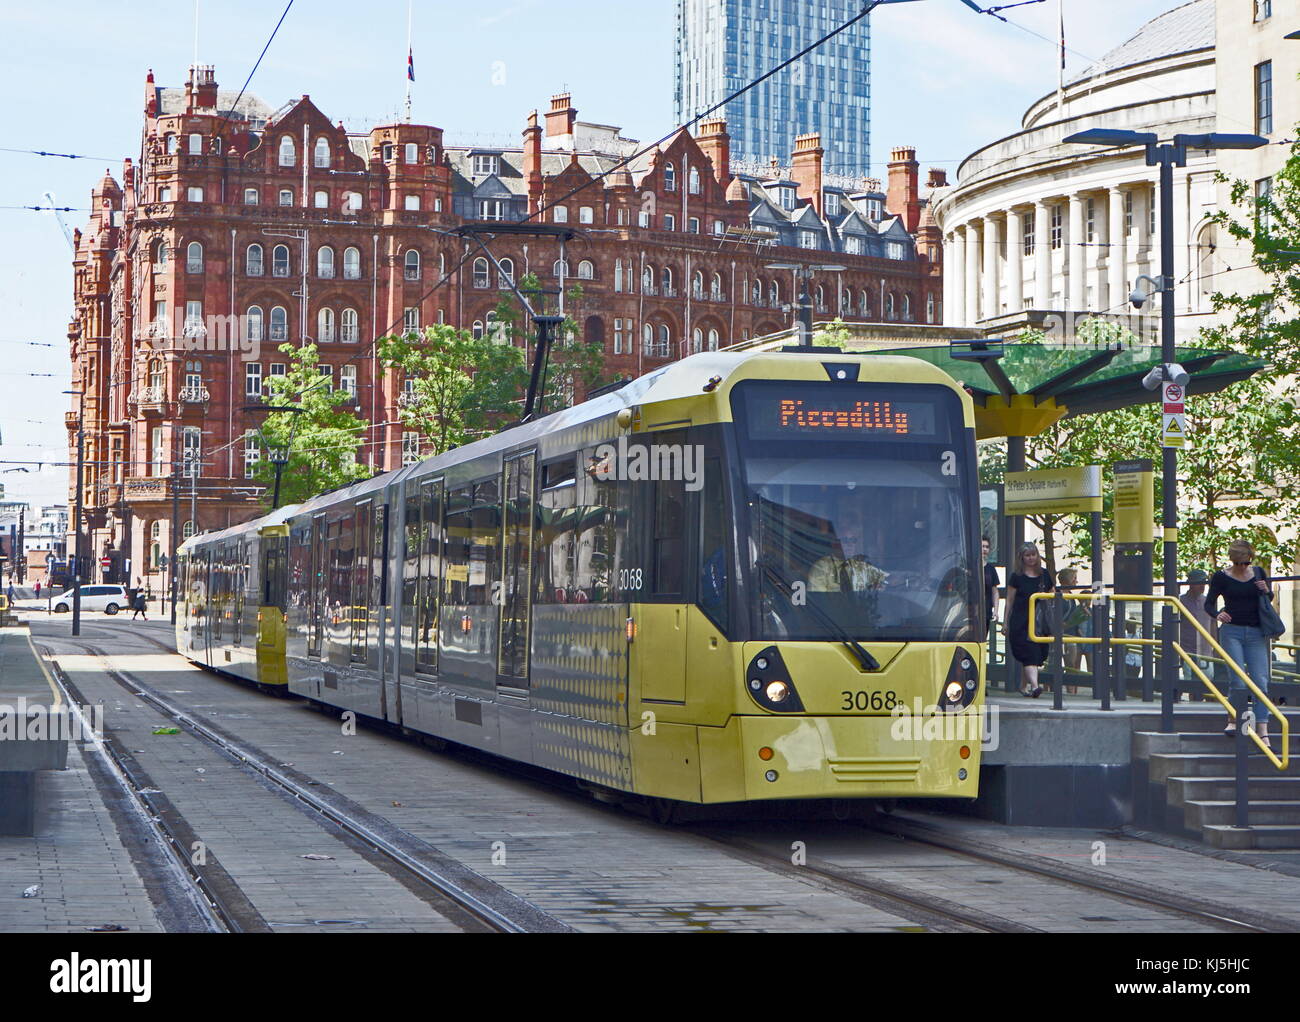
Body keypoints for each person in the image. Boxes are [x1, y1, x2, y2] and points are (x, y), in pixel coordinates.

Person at [1205, 539, 1274, 746]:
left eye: (1245, 563)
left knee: (1260, 680)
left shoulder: (1259, 573)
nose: (1242, 567)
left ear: (1250, 559)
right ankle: (1234, 718)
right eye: (1238, 563)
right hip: (1231, 631)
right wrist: (1218, 614)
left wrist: (1266, 590)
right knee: (1238, 679)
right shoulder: (1221, 577)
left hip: (1256, 632)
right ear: (1232, 560)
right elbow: (1209, 603)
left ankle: (1262, 728)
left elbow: (1267, 600)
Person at [1004, 541, 1054, 697]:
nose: (1031, 558)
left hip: (1040, 622)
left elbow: (1053, 594)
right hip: (1021, 621)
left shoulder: (1044, 574)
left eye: (1034, 554)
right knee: (1029, 653)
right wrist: (1005, 622)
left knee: (1037, 655)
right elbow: (1009, 600)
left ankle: (1023, 686)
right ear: (1022, 558)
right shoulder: (1016, 577)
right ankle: (1035, 686)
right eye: (1028, 555)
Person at [808, 504, 886, 593]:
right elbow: (819, 599)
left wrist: (880, 585)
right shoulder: (821, 568)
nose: (849, 544)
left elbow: (883, 582)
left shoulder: (861, 566)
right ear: (834, 543)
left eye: (852, 540)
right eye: (845, 540)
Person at [1178, 569, 1217, 695]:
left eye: (1204, 583)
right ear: (1191, 584)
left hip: (1206, 651)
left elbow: (1213, 624)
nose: (1202, 586)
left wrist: (1215, 647)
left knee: (1208, 683)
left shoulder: (1208, 602)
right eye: (1199, 583)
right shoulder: (1180, 601)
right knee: (1190, 684)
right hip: (1187, 650)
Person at [982, 537, 999, 644]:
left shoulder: (990, 569)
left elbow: (995, 591)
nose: (984, 549)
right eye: (982, 546)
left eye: (987, 547)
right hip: (970, 611)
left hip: (986, 611)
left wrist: (996, 611)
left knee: (983, 639)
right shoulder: (969, 566)